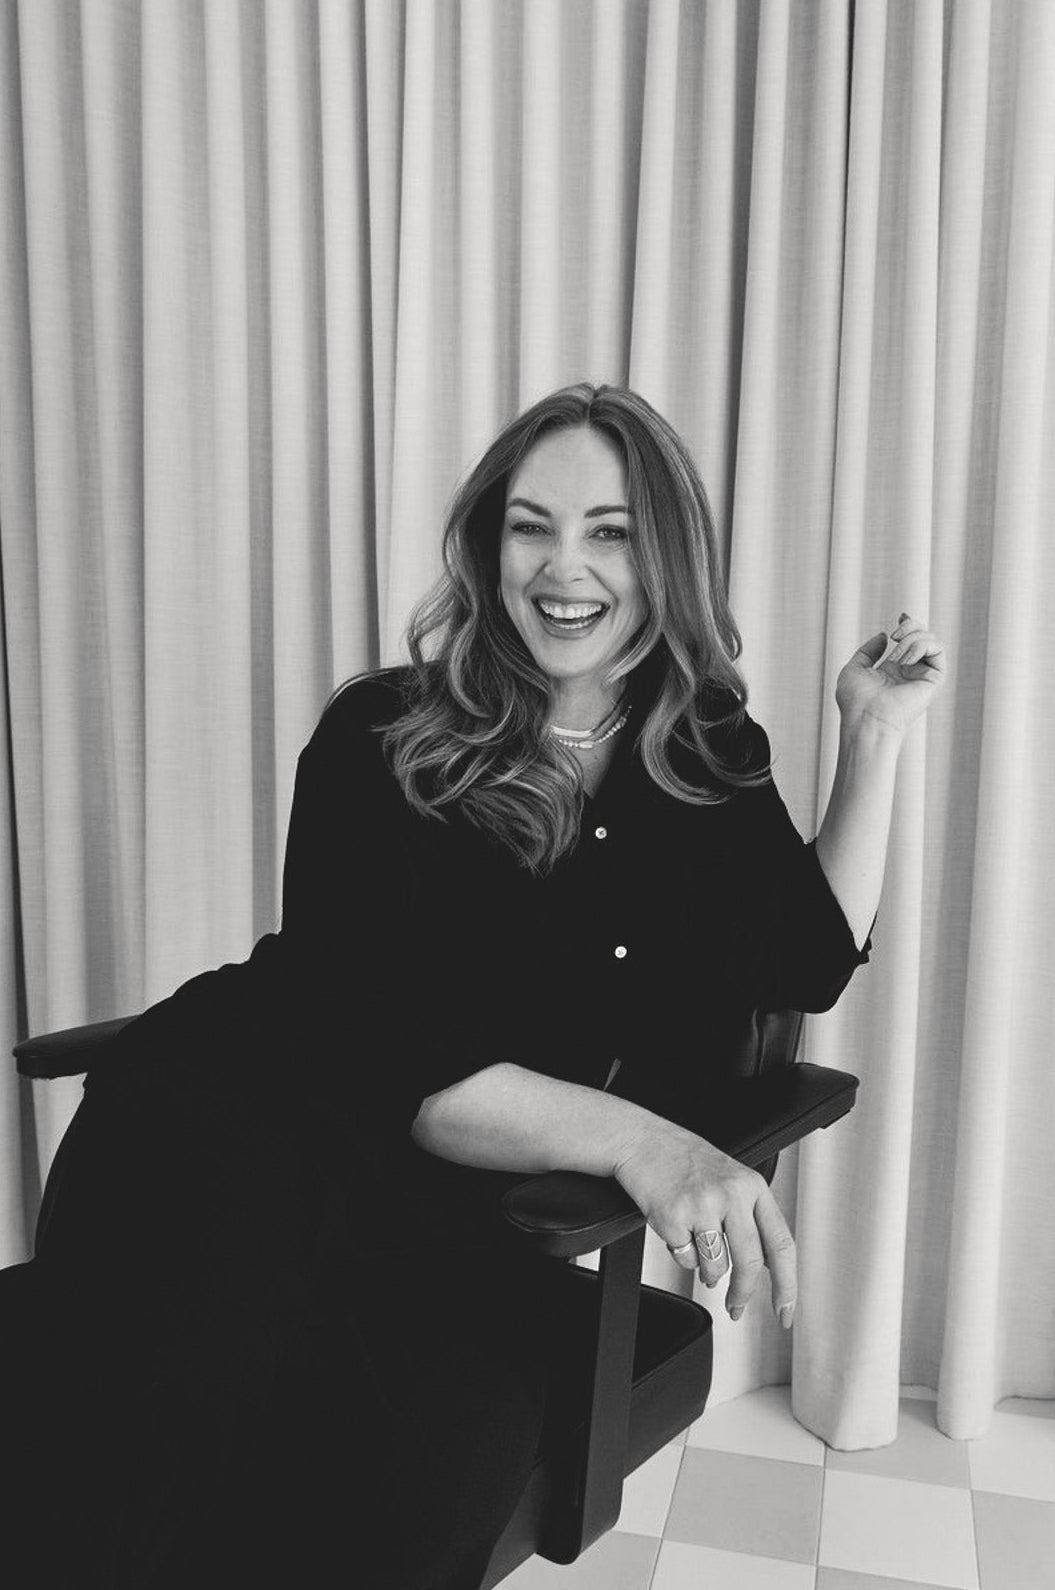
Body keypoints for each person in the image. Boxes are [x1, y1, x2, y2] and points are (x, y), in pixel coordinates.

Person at [4, 383, 946, 1589]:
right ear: (487, 542)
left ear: (662, 556)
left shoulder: (701, 743)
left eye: (608, 530)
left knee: (431, 1479)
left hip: (447, 1231)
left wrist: (870, 736)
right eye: (530, 525)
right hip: (228, 1143)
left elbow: (805, 956)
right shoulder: (378, 737)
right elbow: (401, 1067)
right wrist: (647, 1144)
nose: (564, 567)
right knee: (154, 1453)